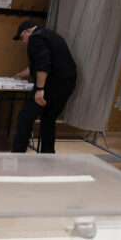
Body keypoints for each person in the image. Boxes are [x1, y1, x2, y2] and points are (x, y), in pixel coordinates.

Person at [12, 20, 77, 153]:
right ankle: (48, 156)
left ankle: (17, 154)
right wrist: (19, 75)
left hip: (51, 84)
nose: (22, 41)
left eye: (22, 37)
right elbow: (37, 65)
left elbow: (43, 63)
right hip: (67, 83)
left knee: (25, 117)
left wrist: (40, 89)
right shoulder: (49, 35)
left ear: (29, 31)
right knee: (48, 118)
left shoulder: (36, 38)